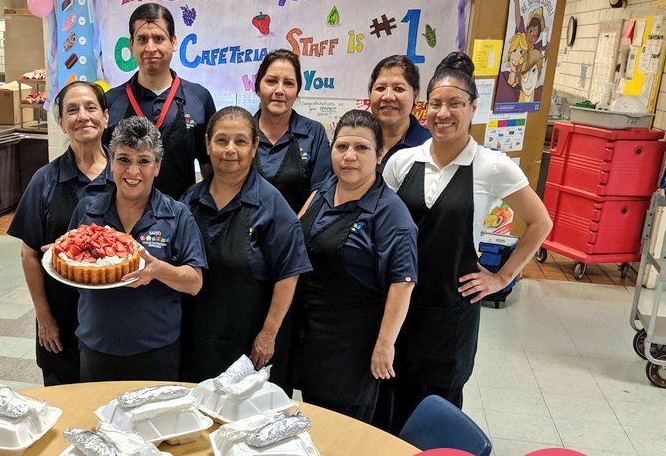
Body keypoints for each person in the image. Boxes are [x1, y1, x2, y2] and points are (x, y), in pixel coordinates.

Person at [382, 52, 552, 433]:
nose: (444, 113)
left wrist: (501, 277)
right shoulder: (402, 162)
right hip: (397, 306)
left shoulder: (493, 166)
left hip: (450, 310)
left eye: (455, 104)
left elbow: (540, 222)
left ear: (473, 107)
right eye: (437, 104)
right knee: (393, 398)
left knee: (439, 406)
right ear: (425, 108)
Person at [294, 109, 418, 422]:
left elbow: (402, 283)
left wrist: (384, 345)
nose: (349, 156)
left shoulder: (390, 213)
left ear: (379, 155)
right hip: (312, 335)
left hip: (355, 345)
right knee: (315, 419)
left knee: (346, 430)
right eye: (342, 147)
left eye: (361, 148)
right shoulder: (322, 191)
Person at [180, 106, 312, 390]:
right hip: (194, 342)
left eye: (240, 141)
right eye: (221, 140)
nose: (230, 150)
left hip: (249, 347)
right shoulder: (188, 202)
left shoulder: (273, 206)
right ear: (207, 144)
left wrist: (269, 333)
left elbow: (289, 273)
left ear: (254, 147)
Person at [67, 116, 207, 382]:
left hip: (156, 351)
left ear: (157, 166)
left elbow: (194, 283)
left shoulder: (177, 215)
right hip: (97, 346)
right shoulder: (88, 210)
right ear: (111, 162)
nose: (133, 171)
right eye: (124, 160)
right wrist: (67, 256)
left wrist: (156, 269)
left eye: (143, 161)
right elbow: (72, 274)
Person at [8, 81, 112, 385]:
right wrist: (45, 318)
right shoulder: (45, 180)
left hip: (112, 321)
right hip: (61, 318)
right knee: (63, 402)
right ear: (61, 122)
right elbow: (29, 254)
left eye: (91, 107)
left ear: (106, 116)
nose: (83, 116)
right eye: (72, 110)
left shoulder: (125, 178)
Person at [104, 3, 216, 198]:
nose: (150, 47)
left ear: (173, 42)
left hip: (181, 217)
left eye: (158, 38)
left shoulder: (199, 99)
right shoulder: (111, 102)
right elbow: (101, 166)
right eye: (142, 39)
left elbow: (209, 166)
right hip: (123, 222)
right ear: (131, 45)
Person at [252, 49, 332, 212]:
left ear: (296, 92)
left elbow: (320, 190)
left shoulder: (314, 133)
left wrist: (294, 228)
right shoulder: (243, 131)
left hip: (298, 231)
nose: (279, 90)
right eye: (271, 81)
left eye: (288, 83)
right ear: (258, 88)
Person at [368, 54, 431, 167]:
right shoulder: (357, 140)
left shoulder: (430, 146)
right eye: (380, 88)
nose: (388, 96)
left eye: (398, 89)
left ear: (415, 96)